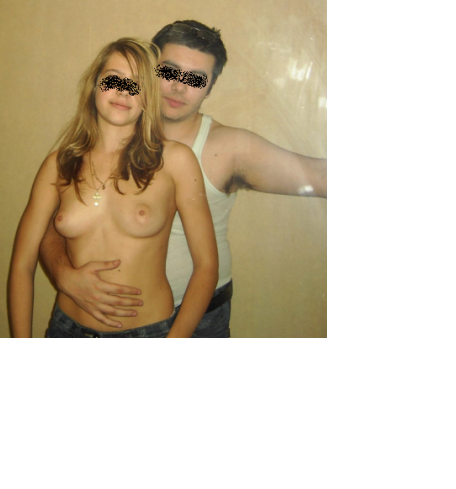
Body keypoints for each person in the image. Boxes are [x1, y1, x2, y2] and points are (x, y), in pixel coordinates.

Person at [39, 20, 327, 337]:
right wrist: (62, 273)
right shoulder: (102, 139)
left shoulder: (230, 148)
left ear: (210, 88)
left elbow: (321, 176)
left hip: (202, 321)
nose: (179, 87)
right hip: (99, 320)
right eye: (169, 72)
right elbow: (56, 224)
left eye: (196, 79)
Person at [8, 38, 218, 338]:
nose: (123, 91)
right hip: (66, 331)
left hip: (149, 335)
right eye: (114, 79)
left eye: (138, 84)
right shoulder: (58, 164)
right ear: (95, 84)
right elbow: (21, 265)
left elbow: (207, 266)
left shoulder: (175, 161)